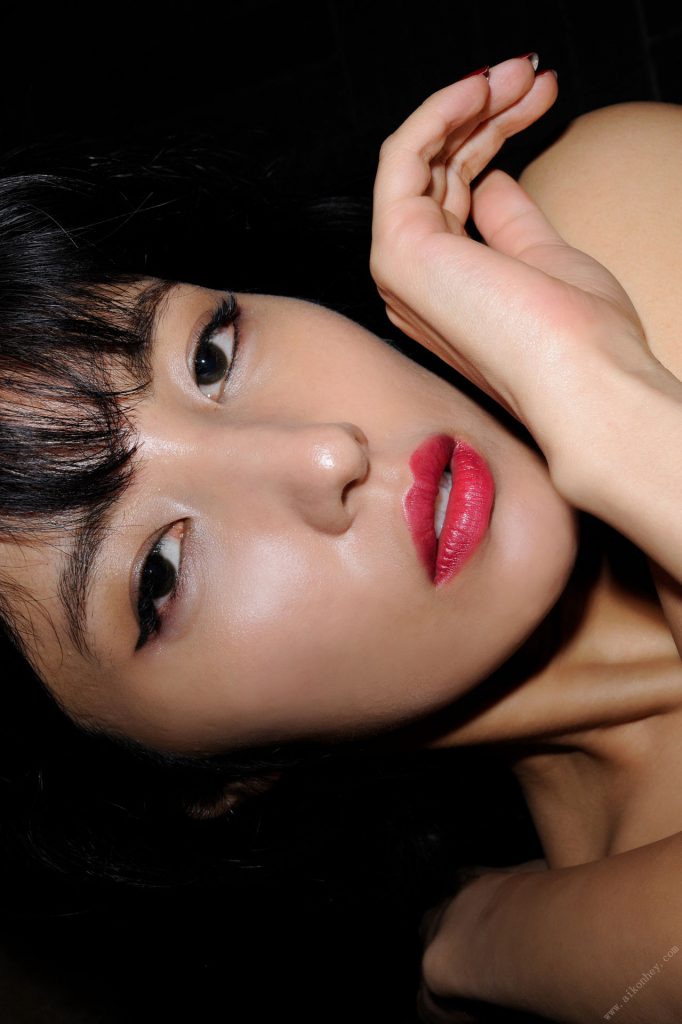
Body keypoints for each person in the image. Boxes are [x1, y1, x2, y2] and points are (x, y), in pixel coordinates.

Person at [0, 52, 680, 1021]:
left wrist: (494, 937)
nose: (324, 454)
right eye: (158, 575)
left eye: (210, 355)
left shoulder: (603, 238)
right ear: (205, 787)